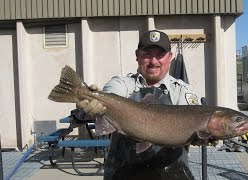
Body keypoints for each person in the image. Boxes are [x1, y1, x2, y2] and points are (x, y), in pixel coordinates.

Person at [76, 30, 201, 180]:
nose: (153, 61)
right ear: (137, 56)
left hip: (173, 173)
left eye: (160, 55)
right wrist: (94, 105)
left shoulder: (183, 90)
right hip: (122, 173)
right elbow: (111, 96)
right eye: (147, 54)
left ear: (170, 57)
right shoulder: (121, 83)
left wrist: (202, 133)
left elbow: (193, 119)